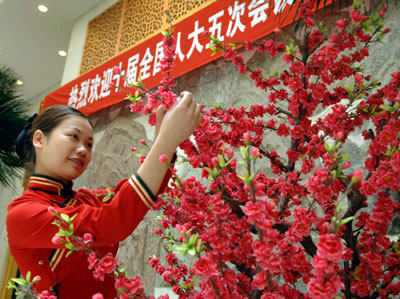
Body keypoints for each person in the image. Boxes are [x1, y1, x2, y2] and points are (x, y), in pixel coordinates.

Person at [6, 92, 201, 298]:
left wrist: (164, 143)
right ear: (39, 139)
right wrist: (166, 142)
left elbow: (134, 194)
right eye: (74, 137)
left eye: (89, 144)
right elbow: (111, 221)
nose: (83, 150)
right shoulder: (23, 213)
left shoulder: (84, 200)